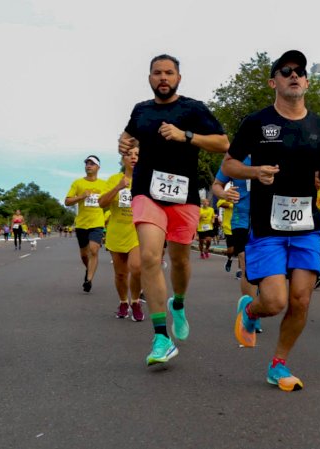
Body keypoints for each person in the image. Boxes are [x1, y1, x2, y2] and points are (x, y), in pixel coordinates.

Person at [224, 49, 320, 391]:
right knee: (276, 301)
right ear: (273, 82)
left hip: (307, 225)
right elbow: (229, 166)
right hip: (267, 226)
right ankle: (251, 312)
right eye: (286, 70)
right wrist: (254, 171)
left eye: (300, 71)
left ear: (307, 81)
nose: (294, 75)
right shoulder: (256, 122)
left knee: (301, 300)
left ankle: (278, 364)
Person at [118, 53, 229, 366]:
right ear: (149, 77)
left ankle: (177, 303)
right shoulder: (141, 110)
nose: (163, 77)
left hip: (184, 195)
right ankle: (161, 337)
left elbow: (223, 143)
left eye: (169, 72)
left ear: (178, 78)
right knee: (151, 257)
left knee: (180, 260)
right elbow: (127, 137)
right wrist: (123, 144)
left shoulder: (192, 109)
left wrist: (186, 136)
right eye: (157, 73)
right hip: (146, 192)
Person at [211, 157, 262, 332]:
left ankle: (255, 306)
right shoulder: (234, 158)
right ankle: (250, 313)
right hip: (241, 218)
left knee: (263, 268)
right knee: (246, 262)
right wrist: (223, 193)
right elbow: (216, 184)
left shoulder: (271, 152)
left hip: (267, 218)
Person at [98, 147, 145, 322]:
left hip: (137, 230)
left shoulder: (146, 179)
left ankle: (136, 302)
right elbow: (102, 203)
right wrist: (118, 187)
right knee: (120, 274)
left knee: (137, 268)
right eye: (129, 154)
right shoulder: (113, 180)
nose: (133, 157)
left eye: (137, 154)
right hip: (117, 230)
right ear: (123, 159)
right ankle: (123, 302)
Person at [64, 156, 107, 292]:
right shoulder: (77, 183)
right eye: (87, 163)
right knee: (84, 255)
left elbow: (110, 199)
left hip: (97, 222)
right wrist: (81, 196)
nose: (89, 166)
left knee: (94, 250)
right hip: (82, 224)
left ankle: (88, 280)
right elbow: (67, 201)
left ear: (98, 167)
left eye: (92, 164)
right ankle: (89, 268)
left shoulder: (104, 185)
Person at [217, 197, 235, 270]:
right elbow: (219, 204)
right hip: (229, 227)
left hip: (242, 225)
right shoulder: (230, 194)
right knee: (230, 250)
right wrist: (232, 205)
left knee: (241, 249)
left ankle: (240, 270)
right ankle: (229, 259)